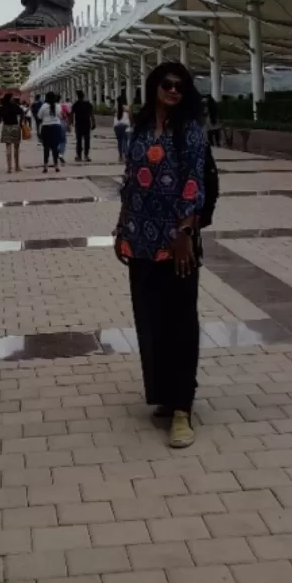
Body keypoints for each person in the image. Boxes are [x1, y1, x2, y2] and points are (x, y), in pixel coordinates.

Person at [114, 62, 207, 450]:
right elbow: (131, 180)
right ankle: (165, 398)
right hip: (140, 240)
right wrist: (122, 227)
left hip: (176, 241)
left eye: (180, 87)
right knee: (149, 320)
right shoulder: (139, 128)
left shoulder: (189, 130)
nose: (173, 91)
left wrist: (185, 231)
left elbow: (194, 180)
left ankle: (183, 408)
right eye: (167, 85)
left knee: (180, 322)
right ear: (154, 87)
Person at [0, 91, 23, 174]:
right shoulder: (15, 106)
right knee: (16, 148)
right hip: (15, 127)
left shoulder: (2, 107)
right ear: (10, 99)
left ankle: (9, 168)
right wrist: (20, 123)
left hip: (6, 127)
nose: (13, 99)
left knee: (8, 148)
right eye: (12, 98)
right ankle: (17, 166)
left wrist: (1, 119)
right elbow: (22, 112)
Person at [37, 92, 63, 172]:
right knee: (55, 147)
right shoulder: (58, 106)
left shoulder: (43, 106)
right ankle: (56, 166)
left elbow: (39, 116)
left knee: (46, 147)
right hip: (56, 127)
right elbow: (60, 116)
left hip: (46, 128)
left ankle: (45, 166)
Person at [72, 90, 96, 163]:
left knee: (79, 140)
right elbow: (91, 114)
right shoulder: (88, 104)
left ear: (77, 96)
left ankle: (79, 156)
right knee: (87, 140)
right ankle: (86, 155)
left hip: (78, 124)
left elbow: (71, 114)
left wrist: (71, 123)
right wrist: (93, 123)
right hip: (86, 124)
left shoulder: (75, 104)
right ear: (83, 96)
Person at [114, 95, 131, 162]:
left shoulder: (116, 108)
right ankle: (126, 155)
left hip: (117, 126)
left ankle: (120, 156)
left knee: (119, 142)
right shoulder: (127, 108)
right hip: (125, 125)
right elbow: (130, 117)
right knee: (124, 141)